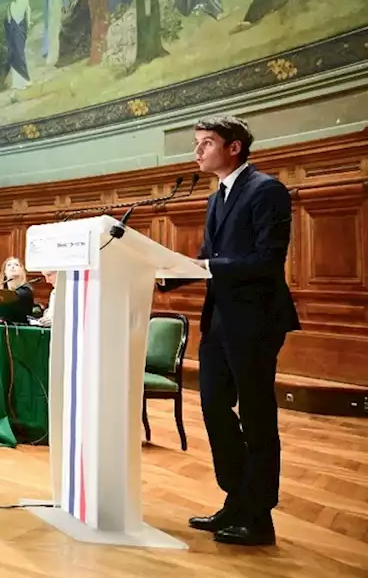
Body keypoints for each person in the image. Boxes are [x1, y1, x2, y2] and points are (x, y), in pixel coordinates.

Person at [159, 116, 297, 546]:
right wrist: (165, 275)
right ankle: (236, 499)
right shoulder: (216, 196)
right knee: (215, 408)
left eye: (206, 143)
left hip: (255, 320)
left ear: (234, 147)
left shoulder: (266, 189)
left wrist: (205, 267)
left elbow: (267, 261)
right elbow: (207, 257)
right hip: (219, 320)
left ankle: (259, 516)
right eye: (196, 143)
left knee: (256, 416)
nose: (197, 151)